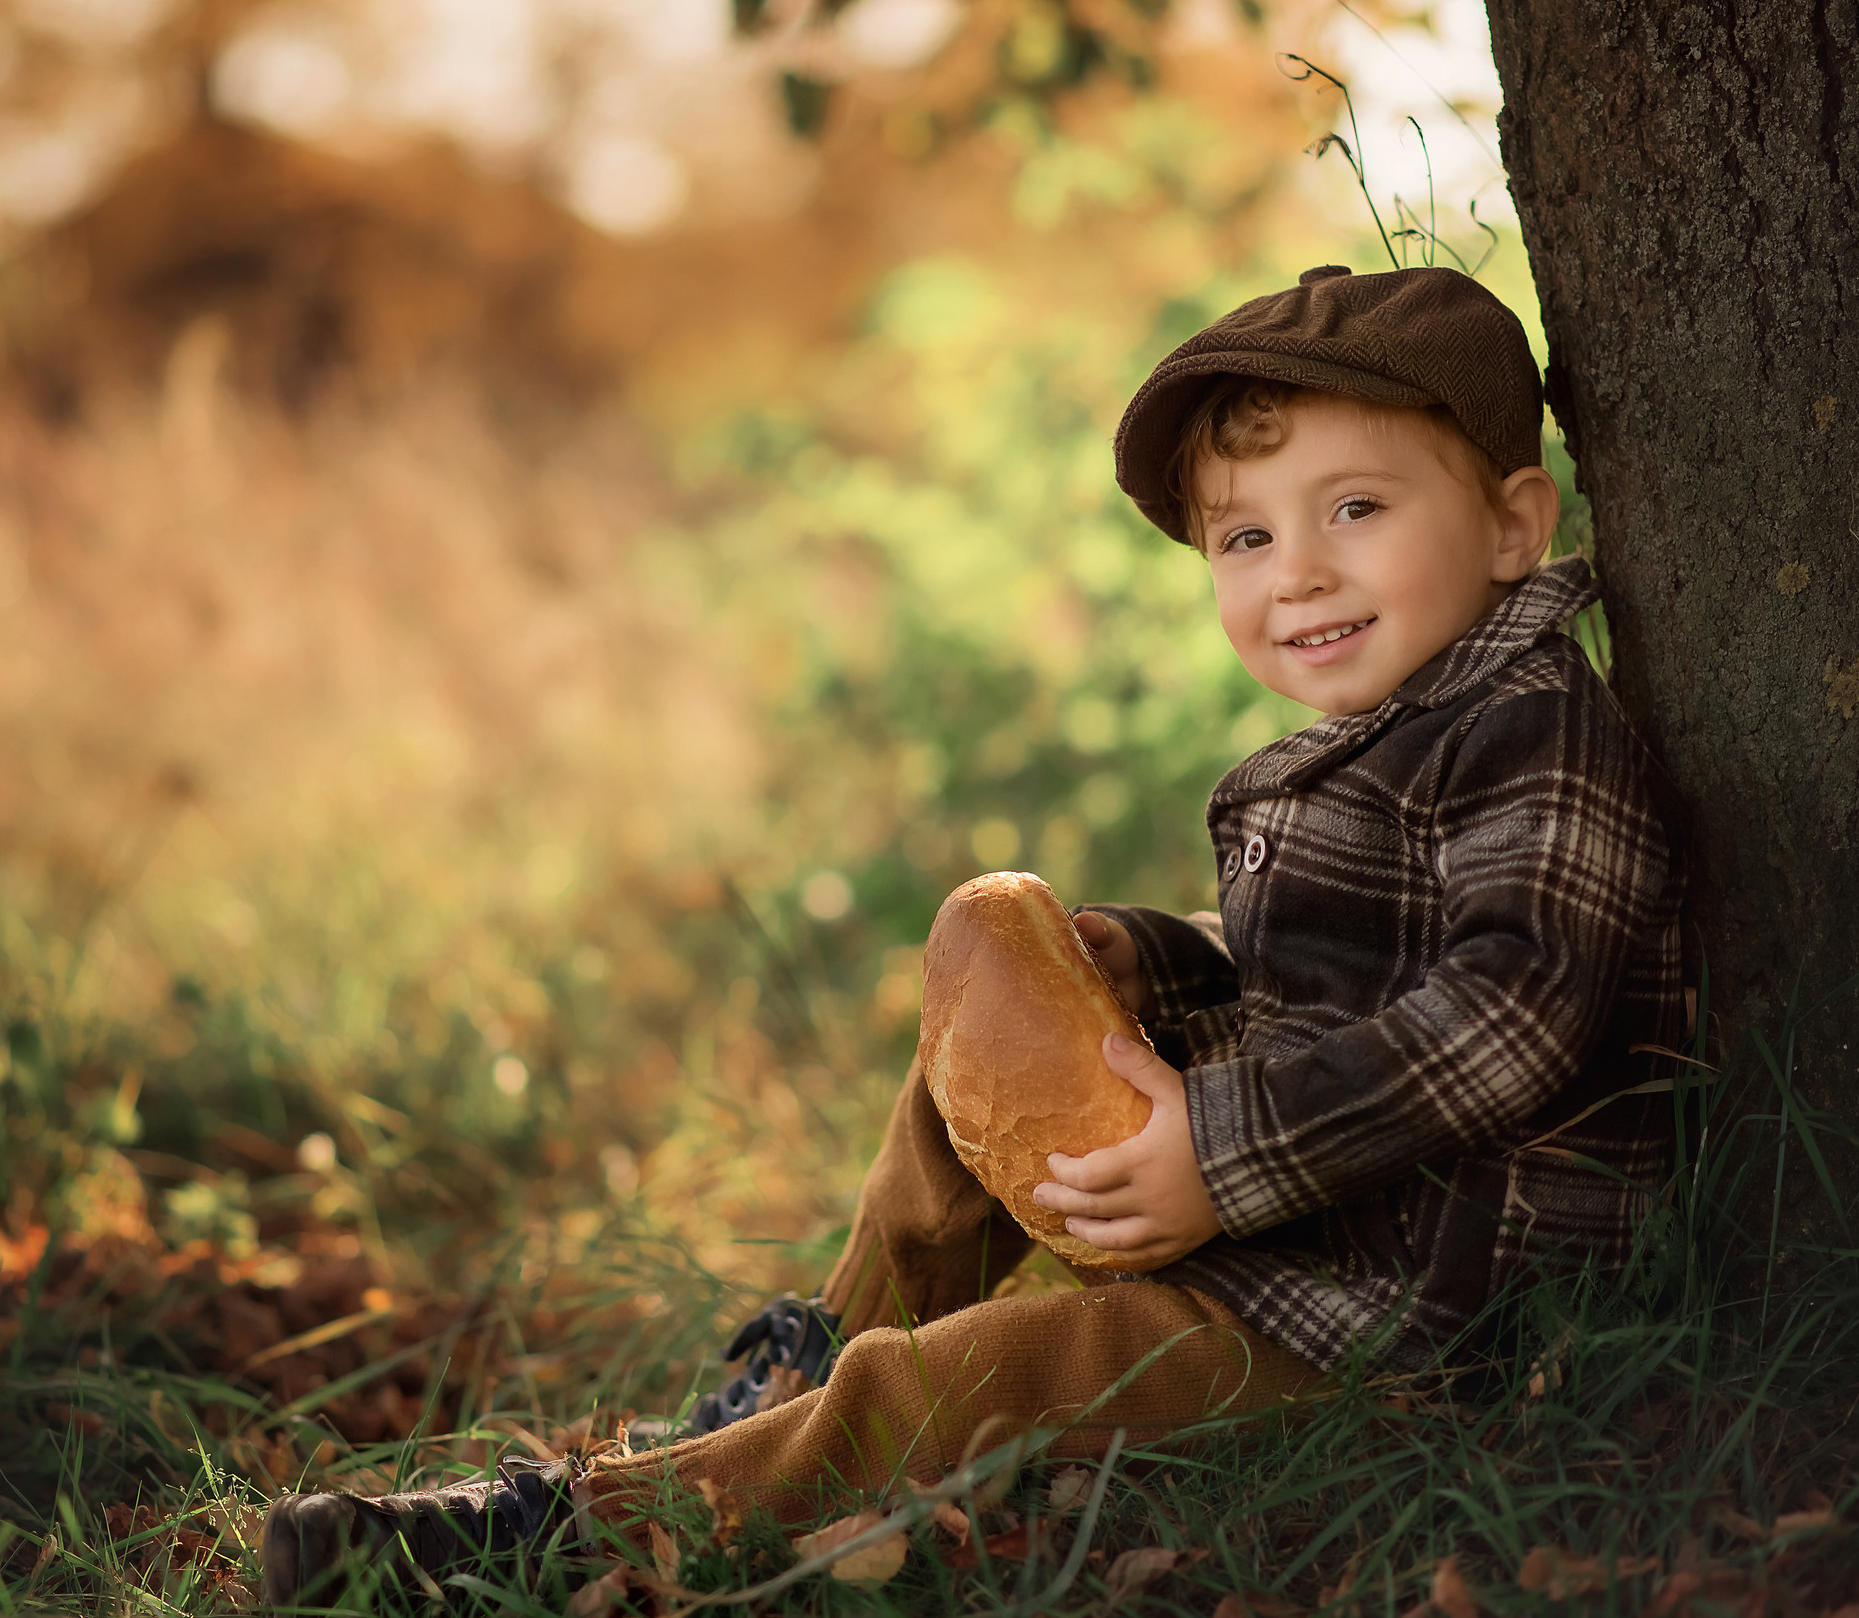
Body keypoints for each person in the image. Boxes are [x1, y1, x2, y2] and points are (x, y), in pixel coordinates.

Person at [259, 264, 1690, 1606]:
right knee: (975, 1037)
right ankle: (795, 1382)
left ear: (1515, 523)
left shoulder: (1526, 728)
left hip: (1408, 1304)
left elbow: (1513, 1011)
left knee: (1008, 1362)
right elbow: (1327, 968)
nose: (1296, 572)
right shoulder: (1395, 730)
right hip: (1306, 1227)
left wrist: (1221, 1150)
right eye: (1246, 535)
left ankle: (576, 1531)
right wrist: (1157, 960)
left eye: (1357, 509)